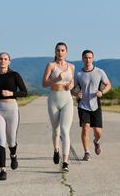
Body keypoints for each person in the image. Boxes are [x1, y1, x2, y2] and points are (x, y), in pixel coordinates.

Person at [0, 52, 27, 180]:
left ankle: (13, 155)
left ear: (9, 61)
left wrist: (11, 93)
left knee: (11, 141)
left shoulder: (14, 75)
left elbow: (24, 92)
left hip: (12, 109)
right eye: (0, 59)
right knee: (1, 140)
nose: (3, 61)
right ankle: (2, 170)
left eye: (5, 59)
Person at [72, 50, 111, 161]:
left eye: (90, 57)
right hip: (83, 105)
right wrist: (76, 93)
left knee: (98, 132)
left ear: (92, 59)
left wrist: (102, 92)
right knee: (85, 129)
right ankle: (87, 152)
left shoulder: (99, 72)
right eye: (86, 57)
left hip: (95, 106)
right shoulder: (79, 74)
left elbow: (108, 85)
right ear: (82, 59)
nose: (88, 60)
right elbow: (72, 88)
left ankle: (96, 141)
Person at [42, 42, 75, 172]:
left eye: (62, 50)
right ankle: (56, 150)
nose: (60, 53)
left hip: (67, 99)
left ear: (66, 52)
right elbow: (44, 83)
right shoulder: (51, 65)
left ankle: (65, 161)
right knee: (56, 130)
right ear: (55, 52)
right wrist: (56, 79)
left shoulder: (71, 66)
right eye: (58, 50)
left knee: (65, 130)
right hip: (54, 99)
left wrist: (71, 85)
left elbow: (72, 82)